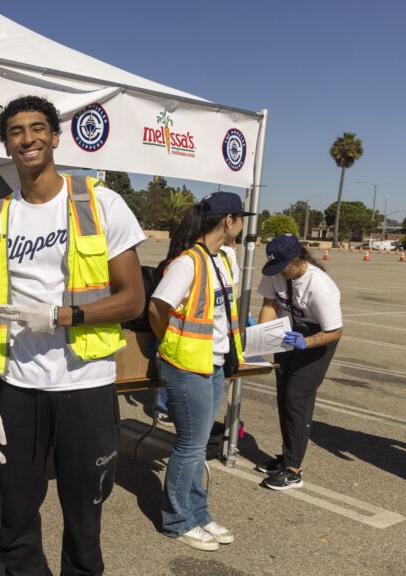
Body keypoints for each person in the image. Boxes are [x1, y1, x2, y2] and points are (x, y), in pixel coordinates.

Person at [0, 96, 146, 575]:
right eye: (15, 131)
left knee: (84, 515)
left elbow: (133, 299)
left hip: (85, 386)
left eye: (37, 129)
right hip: (19, 388)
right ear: (6, 144)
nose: (27, 139)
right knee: (15, 513)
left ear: (54, 137)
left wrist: (62, 315)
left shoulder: (99, 202)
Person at [147, 192, 252, 552]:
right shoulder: (188, 262)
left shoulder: (220, 258)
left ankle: (198, 513)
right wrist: (170, 342)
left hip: (214, 362)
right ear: (228, 220)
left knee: (198, 446)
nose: (243, 225)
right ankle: (177, 520)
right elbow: (157, 307)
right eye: (241, 218)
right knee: (190, 446)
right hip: (186, 365)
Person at [254, 233, 342, 490]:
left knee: (297, 398)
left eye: (283, 267)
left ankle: (293, 470)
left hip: (317, 339)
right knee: (283, 397)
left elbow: (335, 331)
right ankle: (286, 457)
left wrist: (306, 342)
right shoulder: (275, 271)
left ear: (296, 260)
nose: (278, 272)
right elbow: (269, 304)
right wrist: (261, 335)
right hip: (286, 333)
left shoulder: (321, 286)